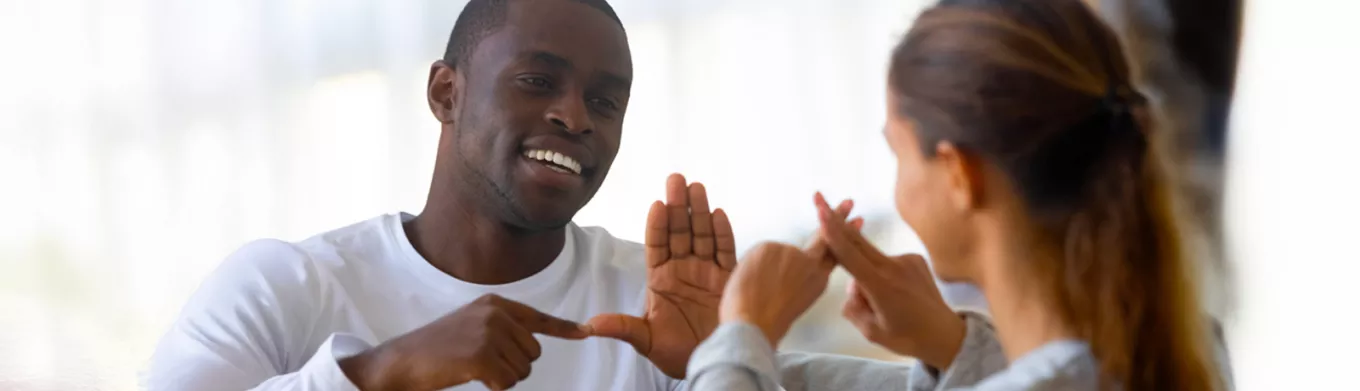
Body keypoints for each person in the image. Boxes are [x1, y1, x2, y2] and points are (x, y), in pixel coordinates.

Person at [143, 1, 996, 390]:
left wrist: (725, 349)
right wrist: (381, 369)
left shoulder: (656, 303)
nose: (574, 115)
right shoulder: (284, 287)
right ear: (445, 93)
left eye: (606, 98)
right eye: (535, 79)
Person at [688, 0, 1224, 390]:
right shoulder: (1192, 351)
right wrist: (955, 347)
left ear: (958, 174)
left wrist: (741, 335)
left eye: (897, 152)